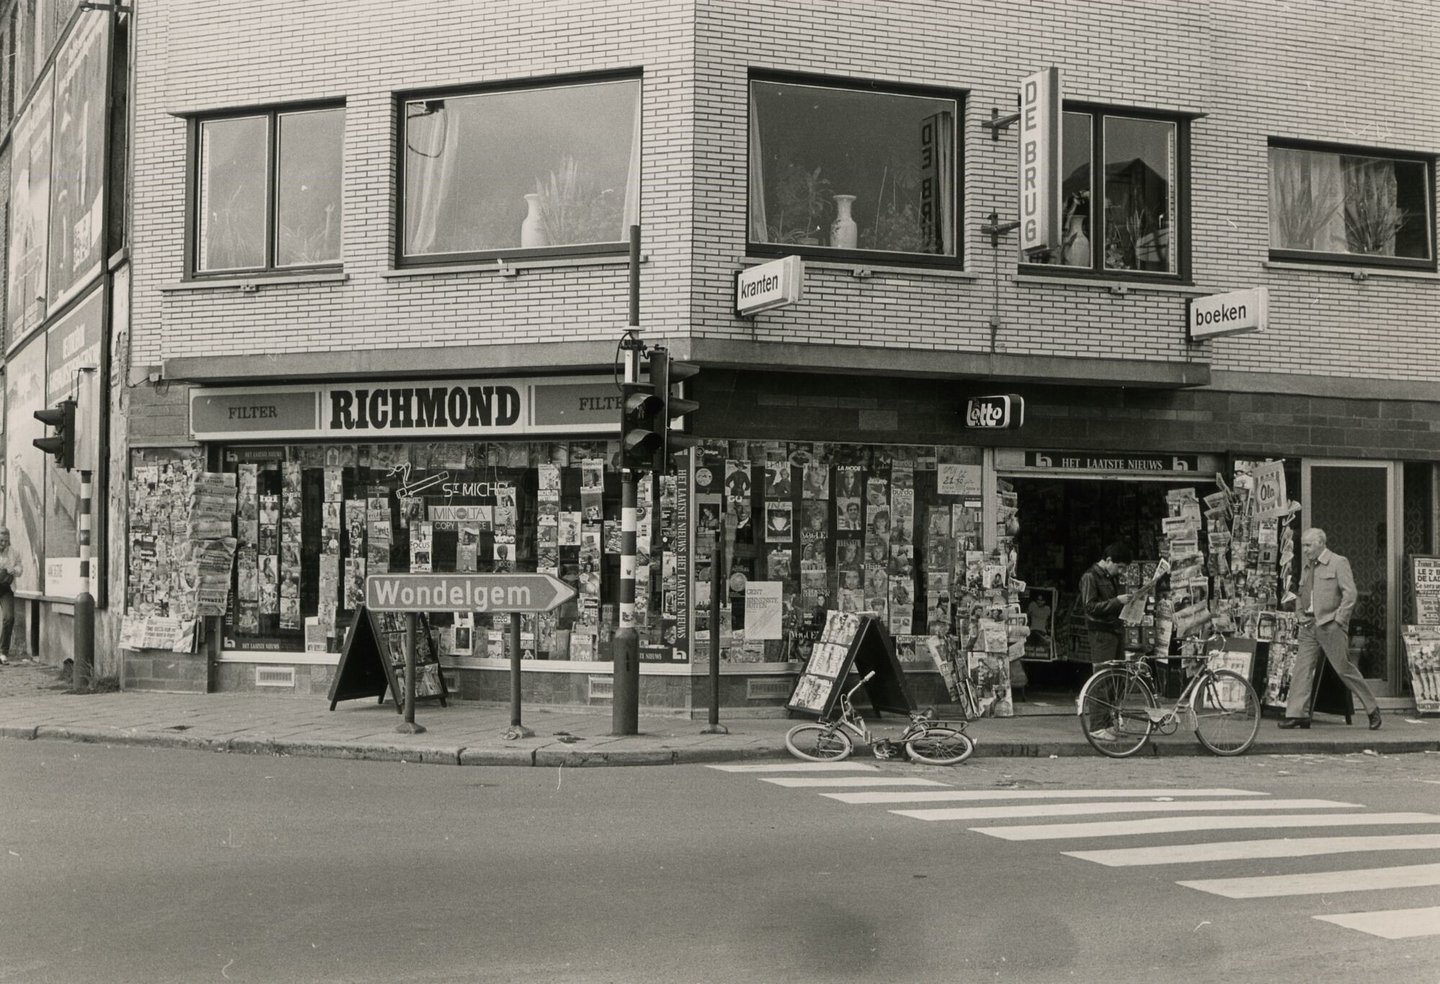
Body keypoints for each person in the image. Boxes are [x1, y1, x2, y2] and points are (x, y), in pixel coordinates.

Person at [1281, 528, 1382, 730]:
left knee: (1344, 669)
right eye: (1304, 546)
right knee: (1302, 669)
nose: (1306, 550)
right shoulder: (1308, 565)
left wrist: (1338, 621)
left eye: (1309, 545)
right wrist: (1300, 615)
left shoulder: (1338, 562)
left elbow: (1350, 594)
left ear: (1321, 543)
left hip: (1329, 625)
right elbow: (1301, 592)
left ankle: (1372, 708)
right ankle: (1297, 714)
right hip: (1309, 625)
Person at [1079, 541, 1132, 663]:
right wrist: (1117, 601)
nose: (1121, 571)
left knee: (1117, 672)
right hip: (1101, 633)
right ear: (1108, 560)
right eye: (1120, 567)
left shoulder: (1110, 577)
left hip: (1115, 629)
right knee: (1104, 673)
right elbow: (1089, 607)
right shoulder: (1090, 576)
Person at [0, 527, 21, 663]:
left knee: (9, 617)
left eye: (6, 541)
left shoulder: (14, 552)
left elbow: (20, 568)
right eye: (1, 540)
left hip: (6, 589)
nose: (3, 544)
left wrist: (14, 570)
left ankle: (3, 652)